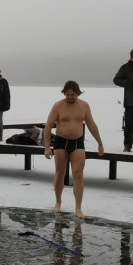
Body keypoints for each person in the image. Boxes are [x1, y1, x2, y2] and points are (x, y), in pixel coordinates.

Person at [43, 80, 105, 219]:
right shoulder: (58, 105)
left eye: (73, 94)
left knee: (78, 174)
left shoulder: (84, 106)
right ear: (64, 93)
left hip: (77, 142)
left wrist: (100, 143)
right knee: (60, 172)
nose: (70, 97)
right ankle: (58, 201)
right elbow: (48, 126)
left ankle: (78, 207)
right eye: (68, 94)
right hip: (61, 142)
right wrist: (47, 147)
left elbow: (91, 125)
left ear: (78, 93)